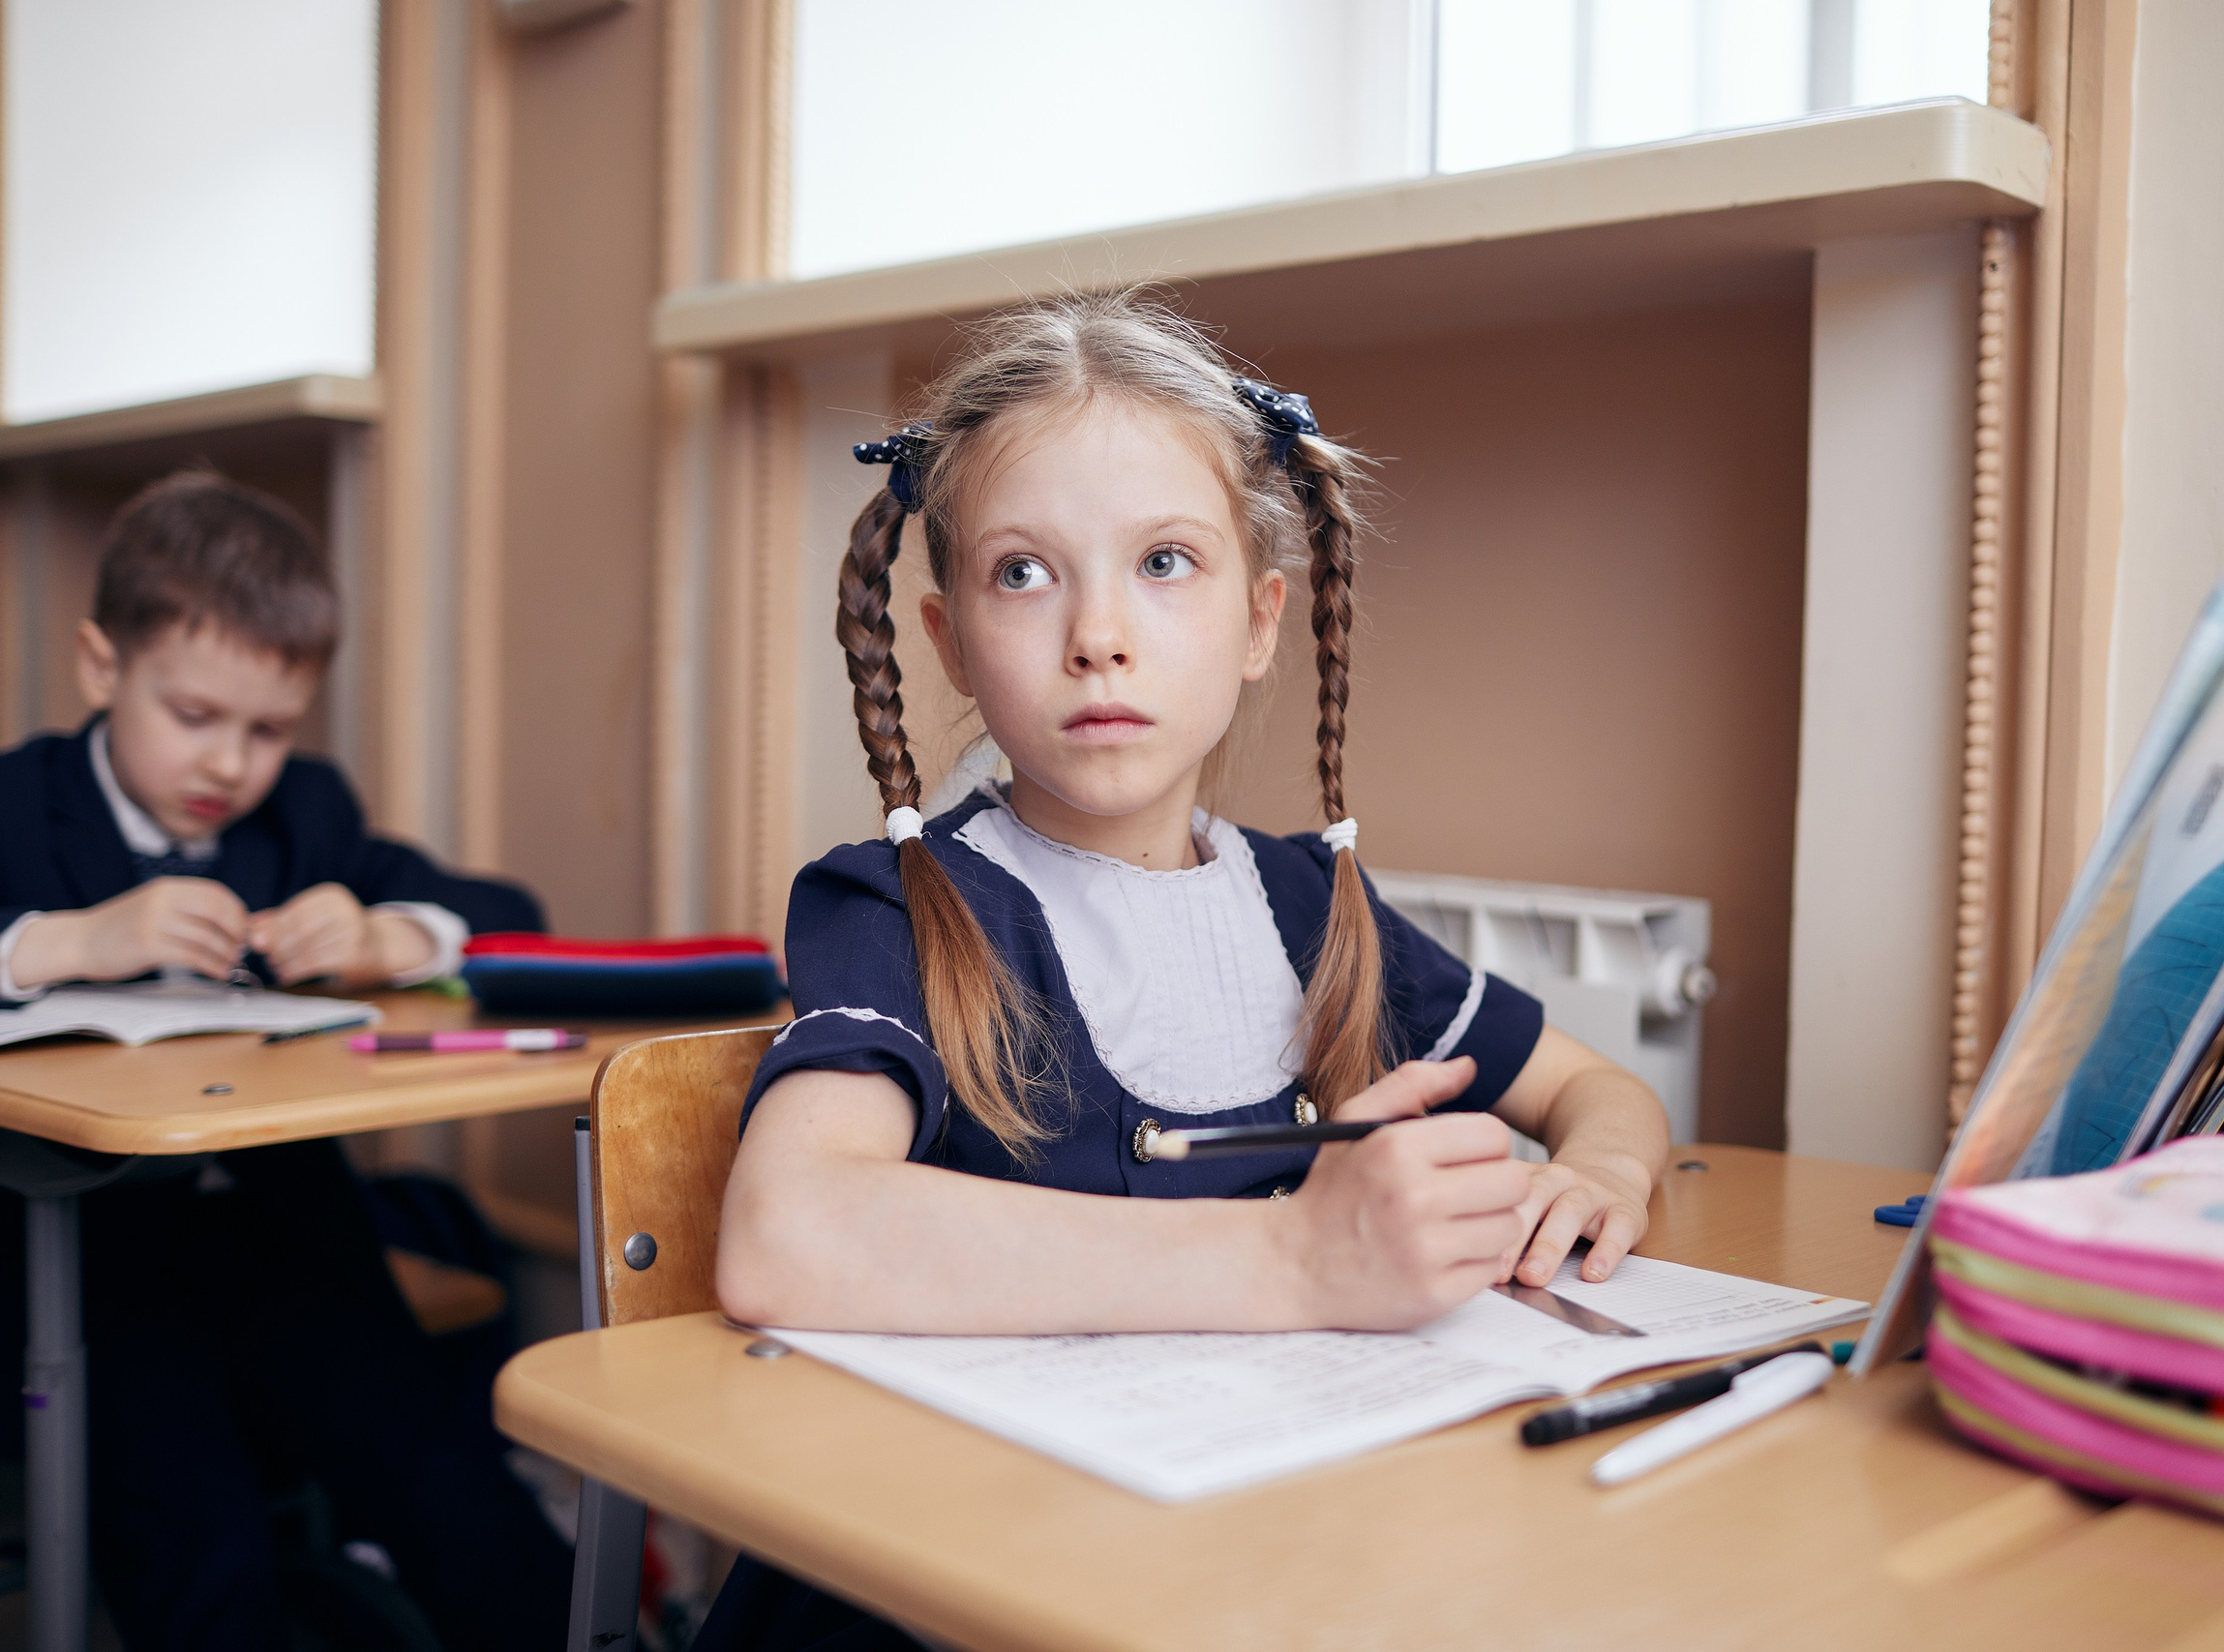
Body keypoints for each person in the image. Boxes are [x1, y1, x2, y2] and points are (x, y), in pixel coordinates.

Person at [701, 289, 1673, 1650]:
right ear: (948, 640)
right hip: (938, 1581)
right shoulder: (907, 905)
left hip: (1233, 1561)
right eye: (1025, 573)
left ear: (1262, 620)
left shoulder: (1307, 906)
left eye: (1165, 562)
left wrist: (1603, 1177)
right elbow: (784, 1232)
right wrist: (1292, 1255)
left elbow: (1600, 1089)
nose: (1099, 631)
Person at [0, 472, 570, 1651]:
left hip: (282, 1236)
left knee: (442, 1477)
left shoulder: (303, 814)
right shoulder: (4, 805)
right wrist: (65, 941)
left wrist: (386, 932)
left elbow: (508, 912)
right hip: (67, 1265)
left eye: (268, 728)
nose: (230, 764)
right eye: (194, 716)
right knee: (196, 1530)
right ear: (103, 669)